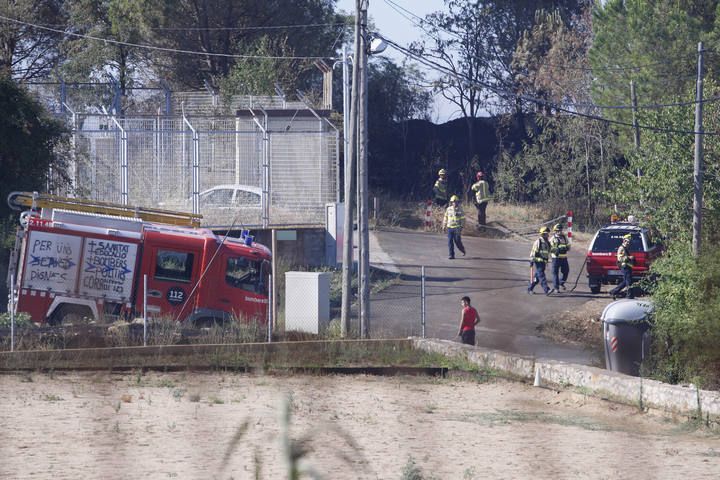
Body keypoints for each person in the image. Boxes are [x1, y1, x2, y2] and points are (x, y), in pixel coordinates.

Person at [528, 226, 552, 295]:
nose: (548, 235)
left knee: (537, 278)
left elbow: (549, 251)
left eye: (548, 233)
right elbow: (533, 251)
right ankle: (547, 290)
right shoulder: (538, 242)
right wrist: (531, 260)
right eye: (546, 233)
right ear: (543, 234)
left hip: (543, 262)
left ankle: (530, 288)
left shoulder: (547, 242)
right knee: (542, 276)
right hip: (538, 262)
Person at [610, 233, 635, 300]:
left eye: (629, 242)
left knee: (625, 281)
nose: (628, 243)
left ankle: (613, 292)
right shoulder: (621, 248)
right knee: (628, 281)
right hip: (624, 267)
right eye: (627, 241)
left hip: (628, 266)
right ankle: (629, 295)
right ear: (624, 241)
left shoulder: (627, 248)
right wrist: (629, 258)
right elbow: (620, 258)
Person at [443, 195, 466, 259]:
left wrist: (462, 226)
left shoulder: (460, 210)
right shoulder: (448, 209)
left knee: (457, 241)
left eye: (456, 202)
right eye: (453, 202)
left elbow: (463, 219)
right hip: (450, 227)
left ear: (458, 202)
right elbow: (445, 217)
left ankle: (462, 250)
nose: (454, 203)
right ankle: (451, 255)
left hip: (457, 228)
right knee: (450, 241)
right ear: (451, 202)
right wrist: (444, 225)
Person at [549, 223, 570, 291]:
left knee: (566, 271)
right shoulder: (552, 239)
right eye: (558, 230)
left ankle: (561, 282)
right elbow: (549, 248)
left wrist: (566, 248)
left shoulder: (564, 237)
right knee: (555, 273)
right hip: (556, 258)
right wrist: (557, 250)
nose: (559, 232)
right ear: (555, 231)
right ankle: (556, 288)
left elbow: (568, 246)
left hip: (564, 258)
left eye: (560, 230)